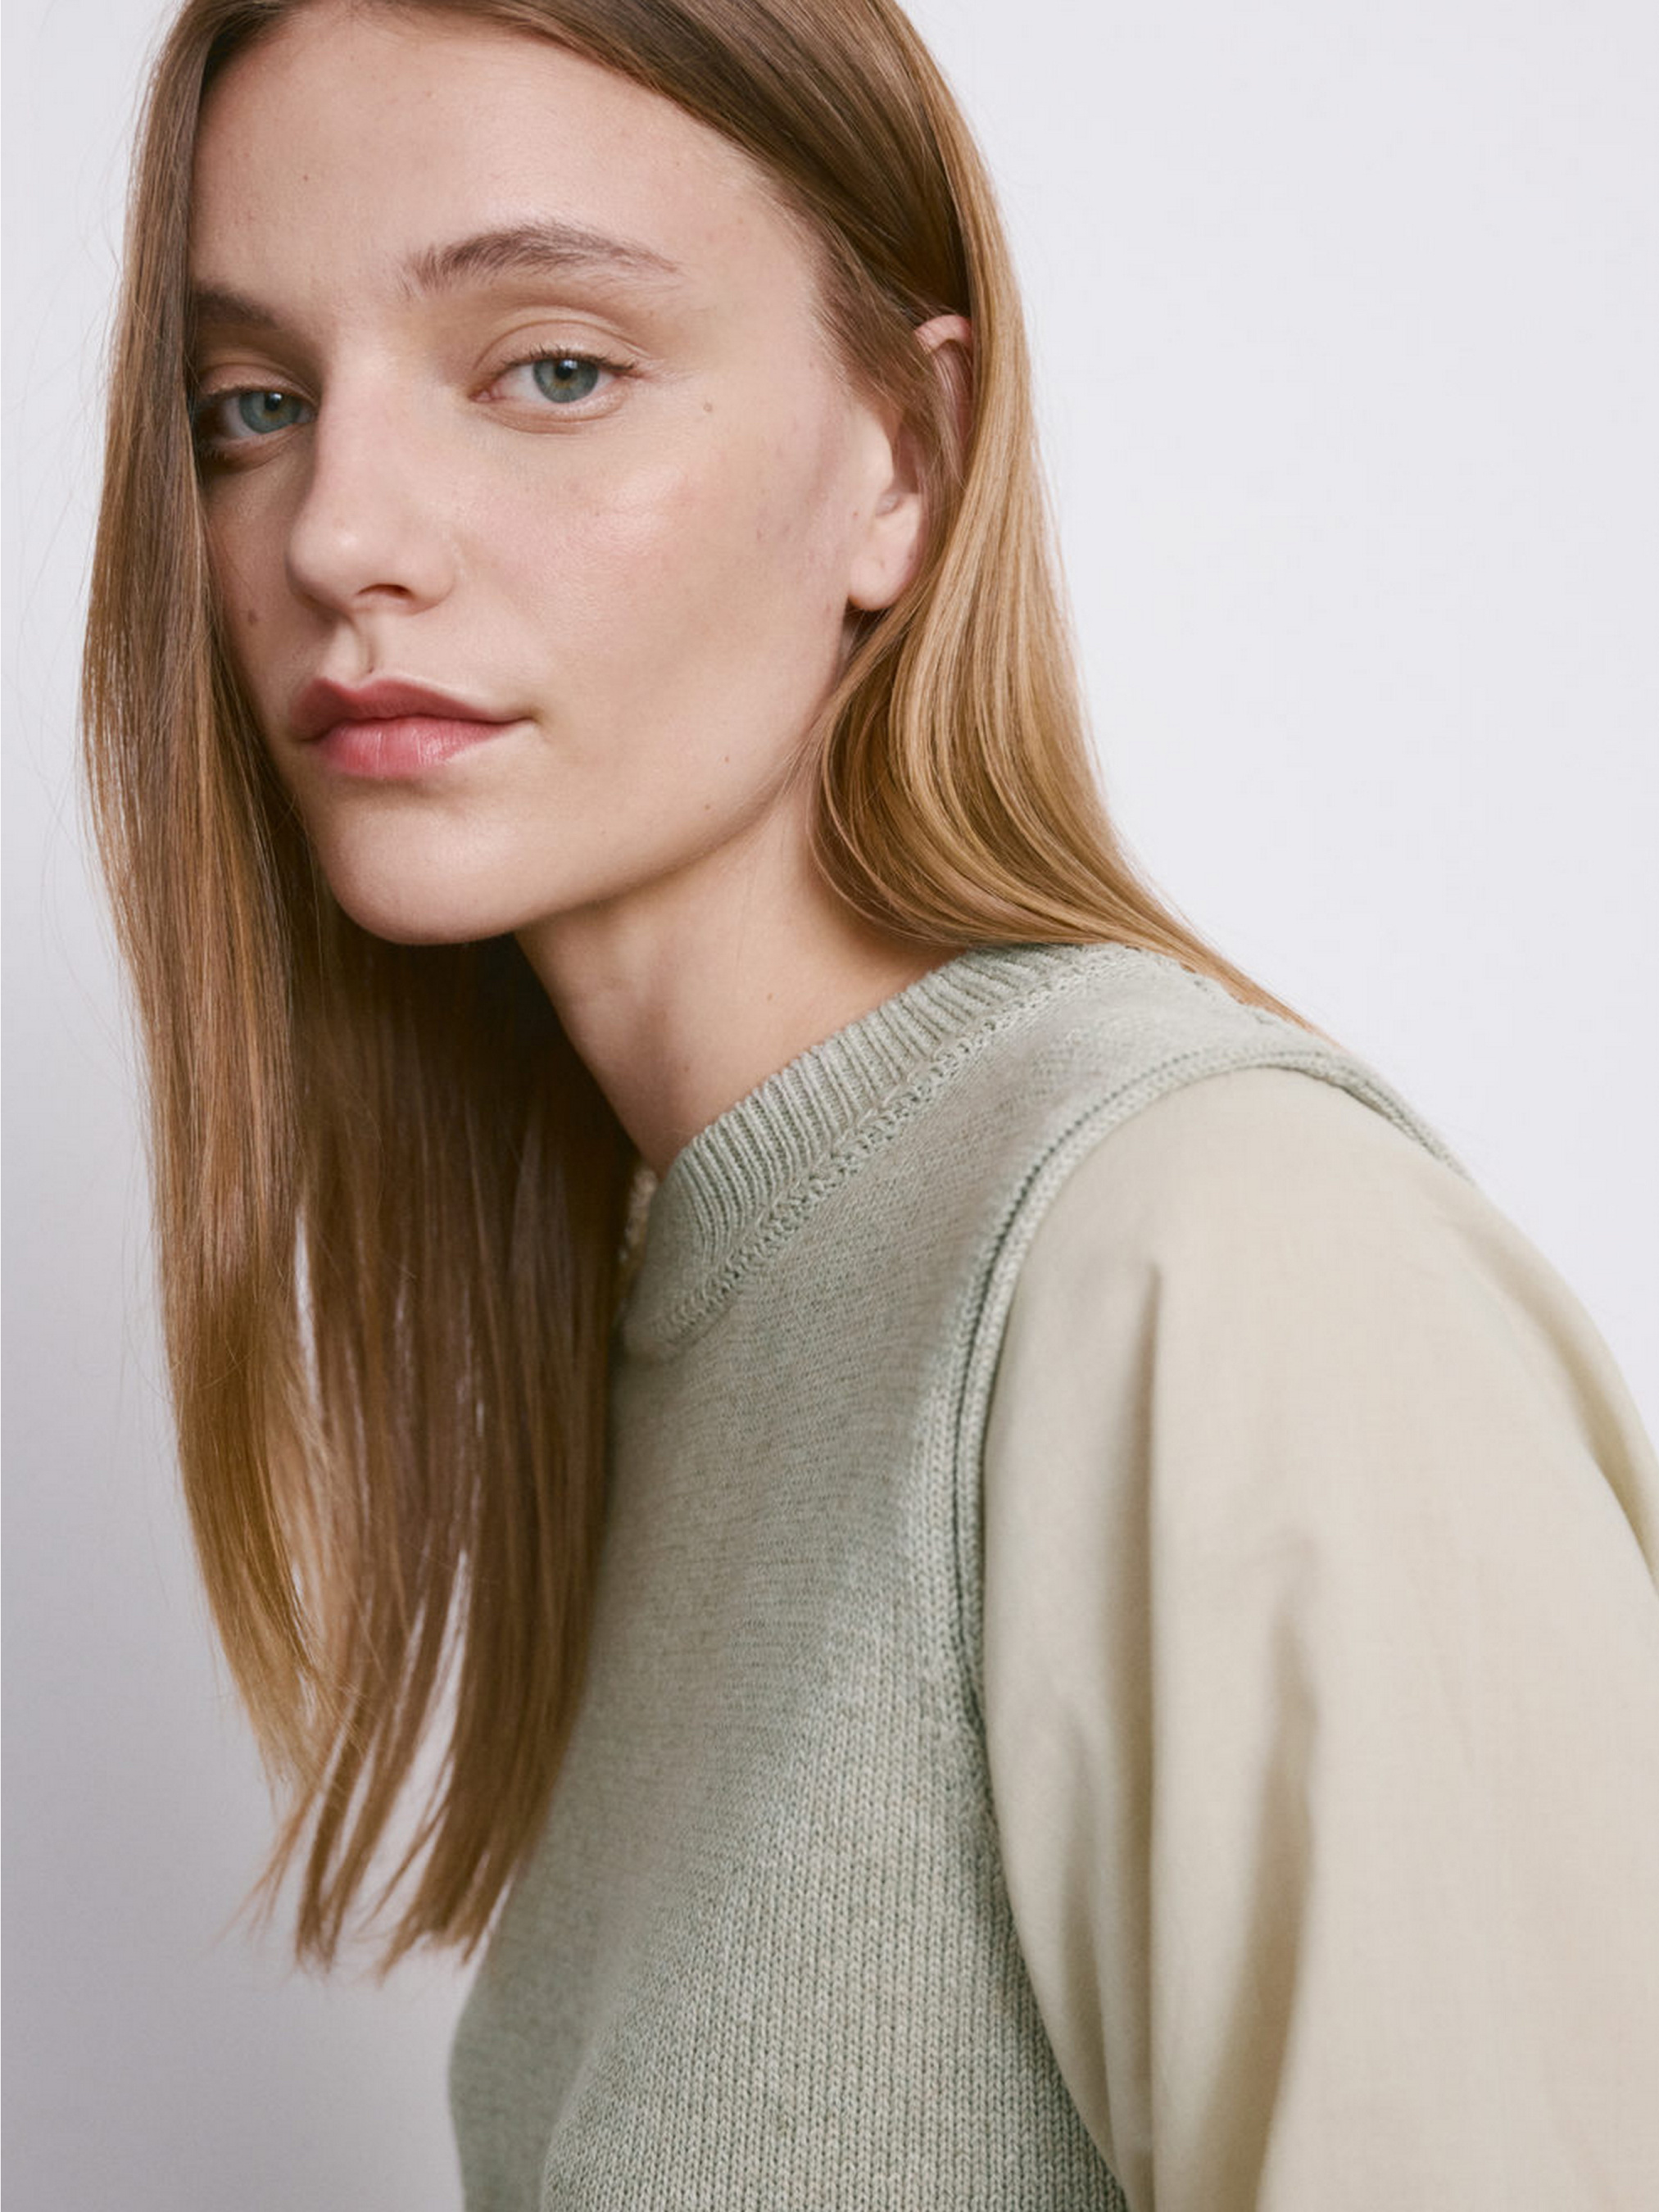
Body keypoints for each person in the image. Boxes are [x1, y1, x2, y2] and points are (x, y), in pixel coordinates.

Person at [80, 0, 1659, 2204]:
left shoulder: (1206, 1252)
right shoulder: (692, 1299)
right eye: (253, 404)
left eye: (554, 369)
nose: (339, 531)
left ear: (903, 462)